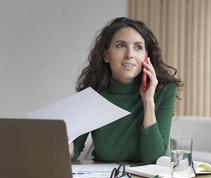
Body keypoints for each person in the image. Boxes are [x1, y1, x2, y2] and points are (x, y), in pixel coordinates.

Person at [71, 17, 183, 164]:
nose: (130, 54)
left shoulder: (164, 90)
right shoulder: (92, 94)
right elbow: (73, 152)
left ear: (146, 57)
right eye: (120, 46)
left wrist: (148, 102)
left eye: (138, 47)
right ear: (106, 55)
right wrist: (58, 142)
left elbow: (154, 158)